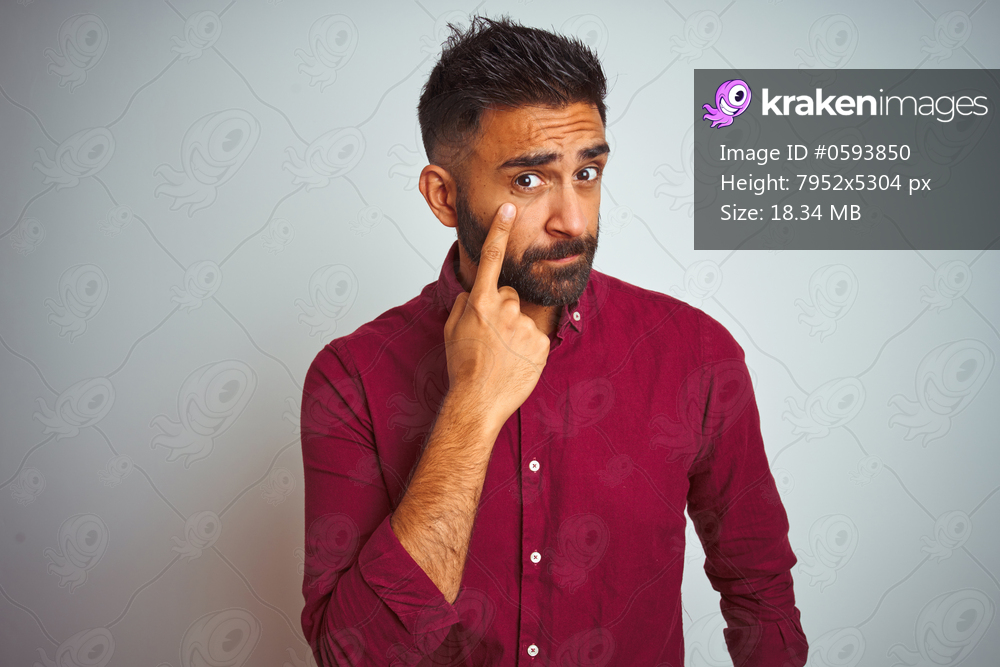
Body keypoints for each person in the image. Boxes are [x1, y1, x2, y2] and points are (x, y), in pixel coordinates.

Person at [299, 15, 808, 667]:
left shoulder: (697, 356)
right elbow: (354, 655)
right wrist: (471, 409)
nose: (573, 218)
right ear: (444, 196)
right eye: (529, 180)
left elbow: (760, 591)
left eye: (588, 173)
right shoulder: (352, 378)